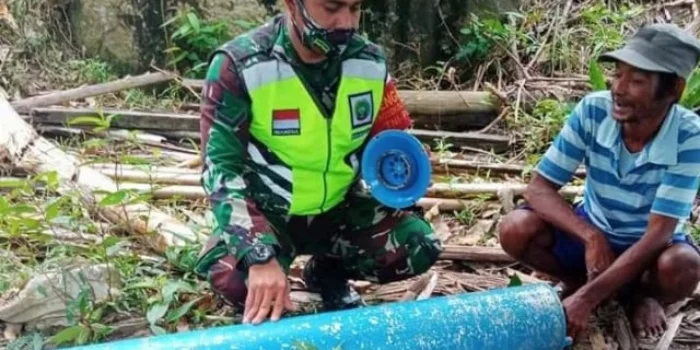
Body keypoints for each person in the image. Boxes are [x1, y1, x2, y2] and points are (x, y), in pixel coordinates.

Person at [193, 0, 443, 326]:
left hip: (340, 209)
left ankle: (326, 271)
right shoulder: (240, 65)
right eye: (331, 8)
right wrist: (258, 254)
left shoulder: (369, 63)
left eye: (355, 9)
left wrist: (407, 171)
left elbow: (391, 139)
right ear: (292, 6)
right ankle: (242, 255)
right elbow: (220, 169)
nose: (346, 23)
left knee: (417, 246)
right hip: (271, 213)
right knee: (234, 278)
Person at [498, 23, 700, 341]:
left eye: (636, 80)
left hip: (650, 246)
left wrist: (587, 302)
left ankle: (640, 297)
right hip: (594, 230)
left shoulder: (690, 136)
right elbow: (538, 189)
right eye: (618, 74)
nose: (618, 88)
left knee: (684, 265)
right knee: (515, 229)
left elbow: (659, 233)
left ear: (673, 90)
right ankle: (581, 283)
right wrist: (591, 236)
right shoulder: (594, 110)